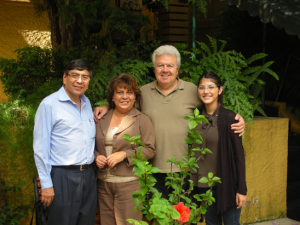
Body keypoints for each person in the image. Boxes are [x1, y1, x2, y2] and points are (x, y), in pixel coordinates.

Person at [93, 45, 245, 199]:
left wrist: (236, 118)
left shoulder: (193, 90)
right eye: (160, 65)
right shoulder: (143, 92)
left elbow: (213, 107)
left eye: (170, 66)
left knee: (184, 220)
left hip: (186, 169)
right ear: (154, 69)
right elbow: (124, 106)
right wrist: (107, 106)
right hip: (151, 170)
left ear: (177, 69)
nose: (165, 70)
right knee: (157, 220)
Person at [33, 59, 97, 225]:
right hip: (63, 176)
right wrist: (46, 184)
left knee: (86, 221)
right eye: (74, 75)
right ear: (64, 77)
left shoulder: (87, 102)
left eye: (85, 76)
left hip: (89, 175)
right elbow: (40, 148)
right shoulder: (49, 104)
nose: (79, 80)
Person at [94, 74, 155, 225]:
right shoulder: (100, 118)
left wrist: (124, 154)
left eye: (129, 92)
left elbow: (150, 149)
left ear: (135, 97)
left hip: (129, 185)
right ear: (112, 96)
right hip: (103, 184)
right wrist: (95, 156)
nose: (125, 96)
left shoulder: (142, 119)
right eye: (120, 92)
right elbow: (89, 145)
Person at [191, 72, 247, 225]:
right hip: (203, 185)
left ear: (220, 90)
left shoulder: (230, 118)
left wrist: (242, 189)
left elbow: (239, 156)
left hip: (228, 185)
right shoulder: (194, 118)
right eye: (202, 87)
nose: (206, 91)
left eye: (211, 87)